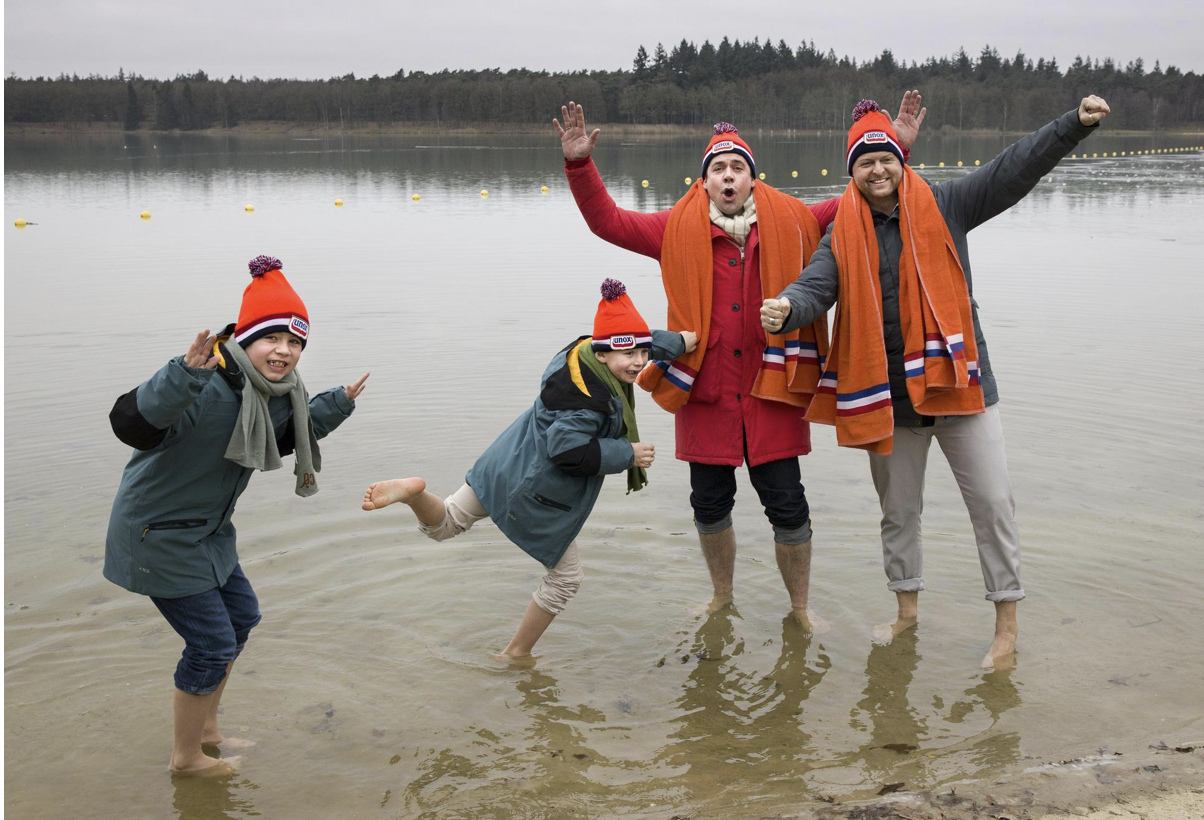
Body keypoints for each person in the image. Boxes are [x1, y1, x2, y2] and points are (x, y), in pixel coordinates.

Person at [761, 95, 1111, 668]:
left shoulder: (946, 203)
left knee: (993, 504)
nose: (877, 170)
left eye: (885, 159)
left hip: (962, 387)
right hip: (890, 400)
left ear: (902, 160)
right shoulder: (842, 233)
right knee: (898, 512)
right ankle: (906, 613)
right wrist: (786, 308)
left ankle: (1006, 625)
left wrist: (1073, 125)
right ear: (852, 171)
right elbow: (815, 286)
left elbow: (1013, 167)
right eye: (864, 162)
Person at [554, 96, 925, 627]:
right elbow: (607, 221)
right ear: (703, 182)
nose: (728, 176)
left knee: (789, 506)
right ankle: (722, 597)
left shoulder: (795, 219)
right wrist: (578, 164)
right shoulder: (672, 229)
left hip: (773, 390)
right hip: (703, 393)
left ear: (752, 178)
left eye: (737, 168)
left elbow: (859, 196)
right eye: (718, 169)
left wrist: (894, 150)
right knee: (708, 507)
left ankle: (799, 608)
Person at [104, 255, 369, 775]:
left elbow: (288, 437)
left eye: (295, 343)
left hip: (208, 533)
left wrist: (336, 404)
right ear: (246, 338)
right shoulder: (200, 383)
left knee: (242, 620)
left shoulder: (276, 394)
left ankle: (207, 731)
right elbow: (131, 423)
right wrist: (180, 377)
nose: (284, 351)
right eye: (273, 339)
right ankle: (185, 759)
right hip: (158, 534)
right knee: (210, 643)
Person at [362, 279, 697, 659]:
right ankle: (515, 655)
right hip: (536, 491)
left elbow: (635, 338)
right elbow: (566, 451)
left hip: (503, 464)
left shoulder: (579, 353)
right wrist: (627, 453)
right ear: (602, 355)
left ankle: (417, 493)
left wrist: (679, 342)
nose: (638, 362)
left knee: (446, 525)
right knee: (565, 580)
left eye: (644, 352)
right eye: (629, 355)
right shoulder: (589, 400)